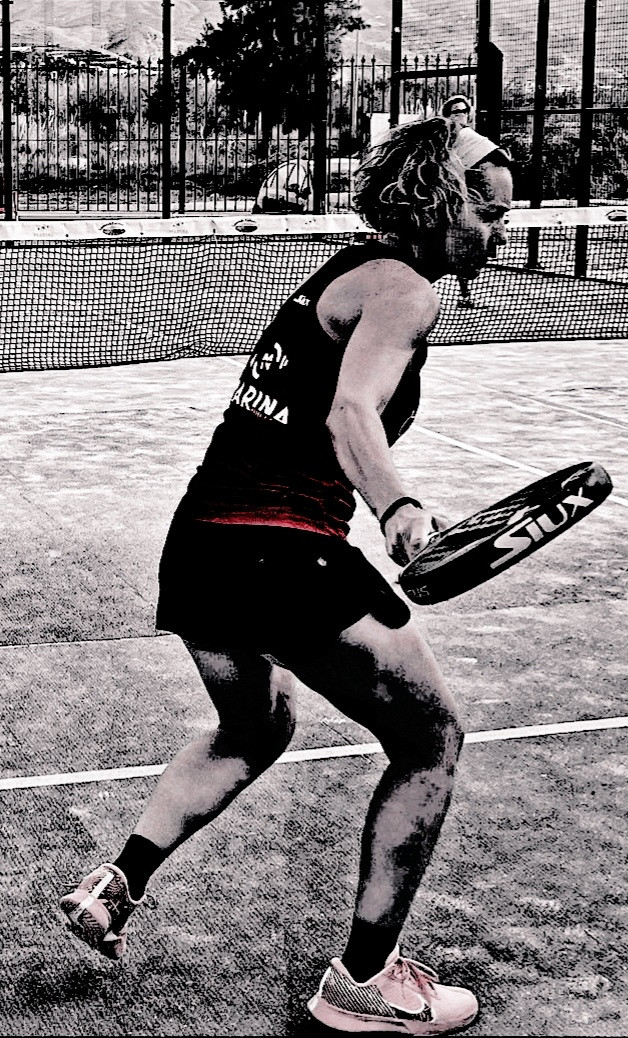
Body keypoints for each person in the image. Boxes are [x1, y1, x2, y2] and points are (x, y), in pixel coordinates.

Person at [60, 117, 512, 1035]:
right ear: (442, 204)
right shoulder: (404, 289)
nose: (499, 236)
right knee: (431, 741)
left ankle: (119, 880)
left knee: (254, 725)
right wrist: (398, 507)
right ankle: (364, 983)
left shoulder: (349, 272)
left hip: (201, 551)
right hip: (282, 552)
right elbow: (351, 413)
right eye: (491, 215)